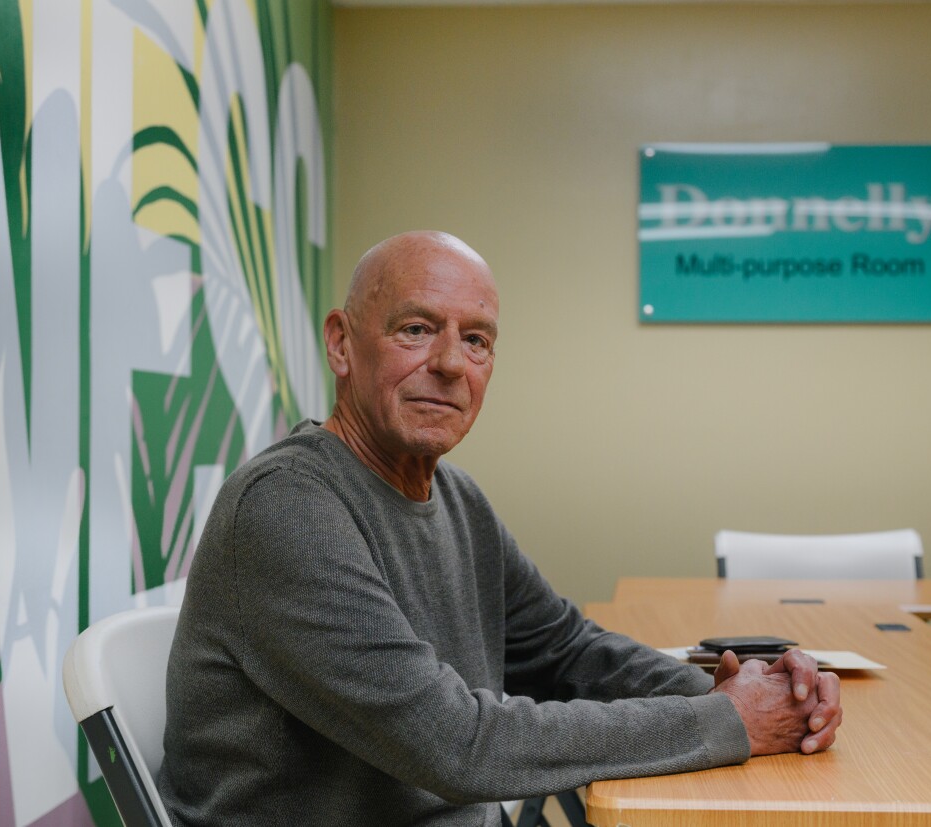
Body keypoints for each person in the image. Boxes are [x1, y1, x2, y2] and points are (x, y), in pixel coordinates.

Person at [157, 231, 842, 827]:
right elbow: (457, 744)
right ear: (341, 344)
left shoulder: (456, 498)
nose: (451, 363)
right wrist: (727, 720)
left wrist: (747, 691)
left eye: (476, 340)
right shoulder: (286, 510)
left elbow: (567, 649)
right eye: (416, 329)